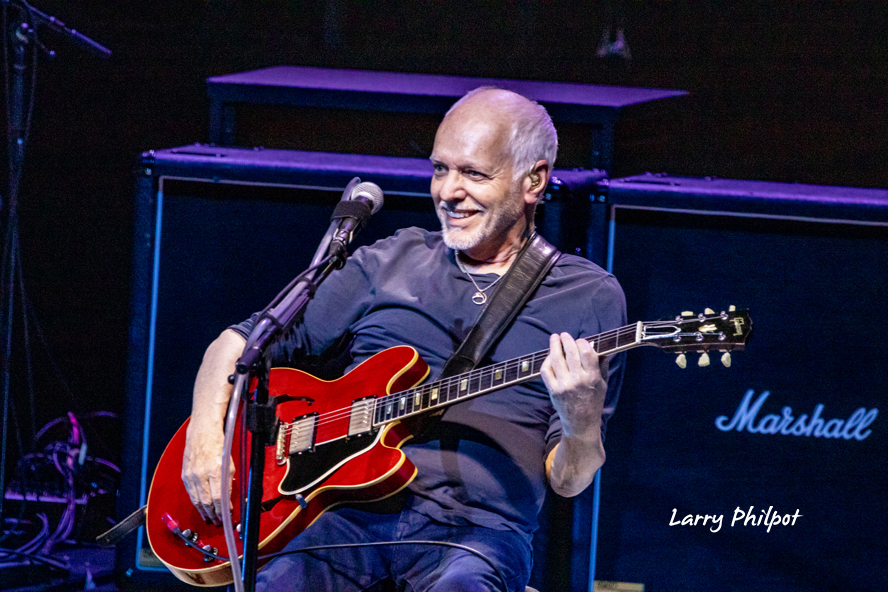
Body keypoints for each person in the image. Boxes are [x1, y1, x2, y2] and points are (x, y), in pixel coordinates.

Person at [180, 87, 626, 592]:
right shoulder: (391, 261)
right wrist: (205, 441)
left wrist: (580, 416)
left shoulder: (586, 295)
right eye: (440, 169)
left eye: (474, 174)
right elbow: (238, 344)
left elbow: (569, 480)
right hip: (344, 516)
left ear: (534, 181)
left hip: (475, 538)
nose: (448, 192)